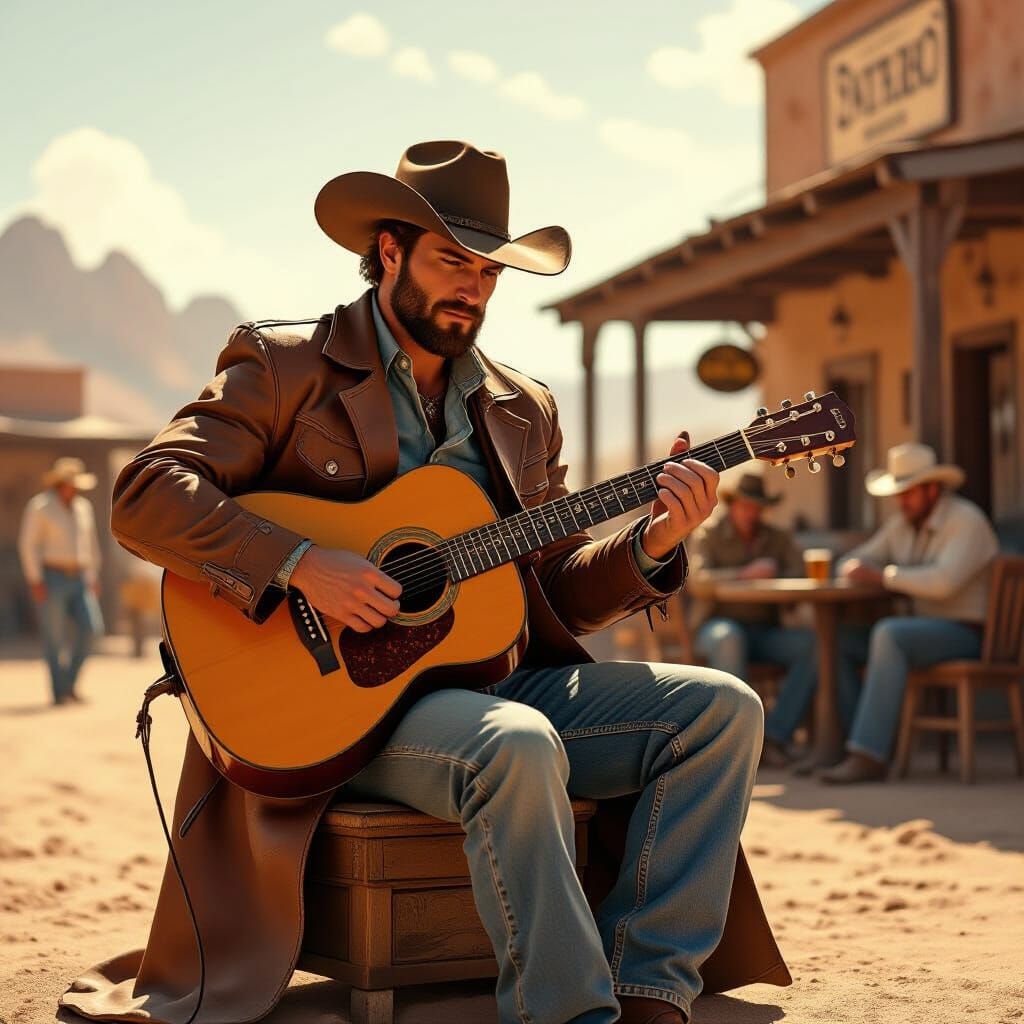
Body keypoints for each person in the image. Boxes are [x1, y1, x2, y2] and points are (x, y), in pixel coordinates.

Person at [62, 142, 787, 1024]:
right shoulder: (286, 365)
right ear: (391, 251)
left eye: (489, 271)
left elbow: (552, 594)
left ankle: (646, 985)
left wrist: (652, 543)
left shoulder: (524, 408)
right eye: (453, 261)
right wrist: (301, 564)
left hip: (494, 684)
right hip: (341, 710)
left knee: (723, 710)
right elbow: (145, 495)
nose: (473, 289)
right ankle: (570, 1015)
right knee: (516, 741)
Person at [820, 443, 998, 784]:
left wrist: (881, 575)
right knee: (837, 642)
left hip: (968, 634)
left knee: (889, 633)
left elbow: (944, 582)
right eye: (898, 493)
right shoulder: (902, 524)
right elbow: (852, 562)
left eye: (908, 493)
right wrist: (856, 567)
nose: (901, 501)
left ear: (932, 489)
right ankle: (851, 743)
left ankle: (868, 755)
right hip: (920, 632)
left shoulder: (966, 520)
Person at [689, 473, 815, 767]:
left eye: (758, 507)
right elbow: (698, 581)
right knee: (729, 639)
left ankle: (774, 736)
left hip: (766, 631)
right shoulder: (709, 534)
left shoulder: (777, 538)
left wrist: (776, 575)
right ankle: (737, 742)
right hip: (718, 625)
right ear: (733, 505)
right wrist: (744, 574)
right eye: (747, 506)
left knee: (813, 644)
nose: (752, 513)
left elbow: (800, 573)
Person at [17, 456, 105, 705]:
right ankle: (59, 693)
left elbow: (90, 545)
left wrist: (92, 576)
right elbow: (28, 544)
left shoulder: (83, 507)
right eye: (72, 484)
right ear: (60, 484)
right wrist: (35, 580)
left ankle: (68, 684)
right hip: (51, 577)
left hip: (79, 577)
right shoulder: (40, 506)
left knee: (92, 630)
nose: (75, 489)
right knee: (54, 638)